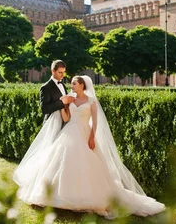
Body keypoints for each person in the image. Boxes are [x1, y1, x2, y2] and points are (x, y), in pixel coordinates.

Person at [13, 75, 165, 219]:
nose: (71, 85)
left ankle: (87, 197)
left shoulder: (91, 101)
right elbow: (66, 118)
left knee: (87, 164)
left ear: (81, 85)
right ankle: (58, 196)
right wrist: (62, 105)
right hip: (69, 133)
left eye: (73, 83)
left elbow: (95, 122)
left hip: (85, 133)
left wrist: (92, 137)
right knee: (62, 162)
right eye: (71, 83)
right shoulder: (71, 100)